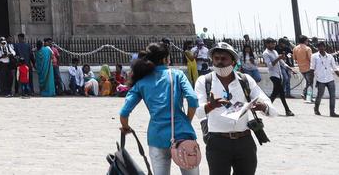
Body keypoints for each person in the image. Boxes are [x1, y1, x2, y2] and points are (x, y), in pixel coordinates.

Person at [120, 42, 200, 175]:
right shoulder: (177, 75)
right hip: (182, 134)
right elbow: (193, 99)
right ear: (165, 59)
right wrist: (187, 120)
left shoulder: (141, 81)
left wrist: (126, 127)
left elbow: (124, 112)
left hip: (157, 137)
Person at [194, 42, 271, 175]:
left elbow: (265, 101)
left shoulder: (245, 80)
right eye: (216, 58)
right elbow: (198, 111)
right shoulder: (204, 81)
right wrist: (210, 106)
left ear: (233, 62)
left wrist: (263, 106)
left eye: (223, 59)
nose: (219, 62)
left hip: (245, 141)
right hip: (217, 142)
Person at [259, 39, 294, 115]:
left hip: (279, 74)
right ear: (267, 44)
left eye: (274, 44)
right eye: (272, 44)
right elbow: (270, 65)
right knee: (281, 93)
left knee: (274, 94)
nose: (273, 46)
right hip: (273, 75)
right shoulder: (266, 53)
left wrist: (289, 68)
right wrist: (278, 58)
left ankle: (265, 108)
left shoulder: (275, 51)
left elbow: (281, 63)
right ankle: (287, 110)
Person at [312, 40, 337, 117]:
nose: (321, 48)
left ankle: (332, 112)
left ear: (325, 47)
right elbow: (312, 68)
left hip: (330, 78)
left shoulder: (330, 56)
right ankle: (316, 108)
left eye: (322, 46)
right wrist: (311, 81)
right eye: (319, 46)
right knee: (320, 95)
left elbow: (335, 68)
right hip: (320, 79)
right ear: (317, 48)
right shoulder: (314, 56)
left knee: (333, 96)